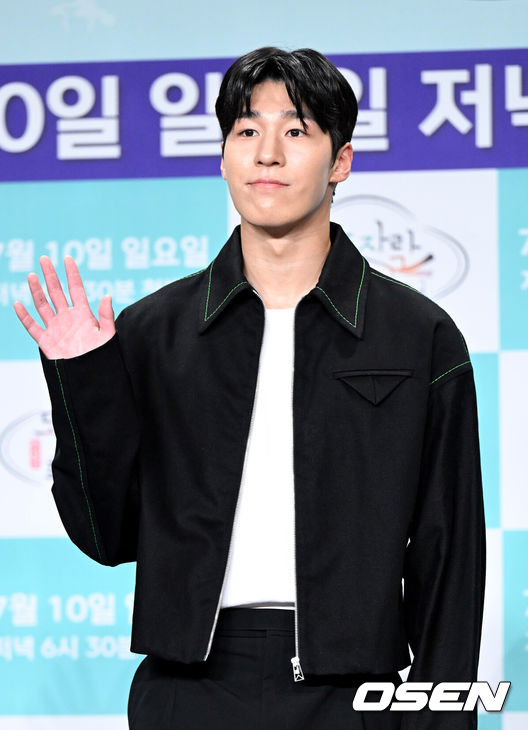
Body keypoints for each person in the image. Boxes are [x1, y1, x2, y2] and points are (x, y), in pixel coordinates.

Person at [14, 47, 486, 730]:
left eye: (295, 130)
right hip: (188, 691)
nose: (267, 153)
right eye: (245, 130)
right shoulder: (152, 331)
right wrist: (85, 381)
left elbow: (451, 554)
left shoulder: (417, 336)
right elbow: (107, 536)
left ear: (341, 161)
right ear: (223, 157)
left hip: (351, 694)